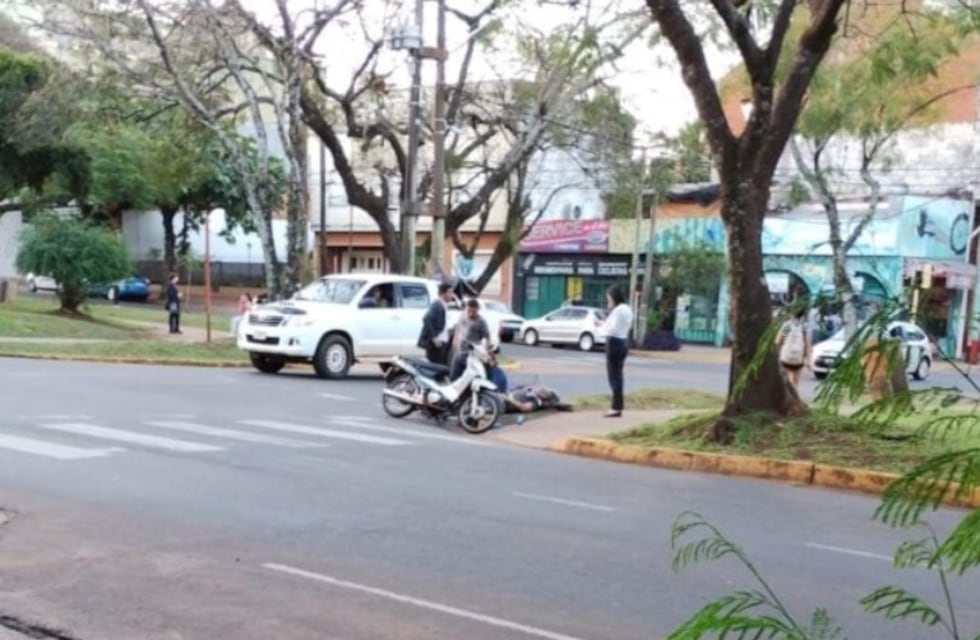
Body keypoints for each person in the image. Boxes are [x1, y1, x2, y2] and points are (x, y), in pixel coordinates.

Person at [596, 284, 633, 418]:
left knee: (613, 376)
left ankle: (615, 407)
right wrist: (604, 325)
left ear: (614, 297)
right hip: (623, 341)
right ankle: (617, 405)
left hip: (614, 342)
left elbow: (612, 329)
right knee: (618, 375)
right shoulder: (627, 309)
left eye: (609, 299)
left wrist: (600, 329)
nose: (608, 302)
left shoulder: (618, 310)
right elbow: (620, 326)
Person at [449, 298, 492, 380]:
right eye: (469, 311)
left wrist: (487, 351)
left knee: (469, 377)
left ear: (477, 310)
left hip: (472, 354)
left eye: (473, 312)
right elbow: (458, 328)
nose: (471, 314)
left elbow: (487, 337)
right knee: (454, 375)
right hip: (460, 351)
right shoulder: (462, 316)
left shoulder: (481, 322)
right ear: (466, 308)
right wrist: (455, 341)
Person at [418, 282, 454, 365]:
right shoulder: (437, 305)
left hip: (442, 342)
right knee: (435, 365)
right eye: (450, 292)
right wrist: (434, 338)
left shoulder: (444, 305)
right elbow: (426, 319)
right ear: (442, 293)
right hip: (436, 343)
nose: (452, 295)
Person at [776, 306, 810, 389]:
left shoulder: (787, 325)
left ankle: (788, 394)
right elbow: (807, 343)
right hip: (798, 357)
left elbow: (778, 341)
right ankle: (795, 394)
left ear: (791, 314)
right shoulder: (804, 326)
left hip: (786, 356)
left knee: (786, 377)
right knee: (796, 379)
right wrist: (807, 358)